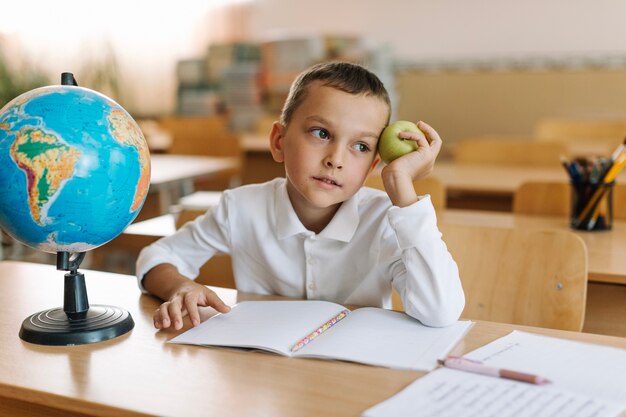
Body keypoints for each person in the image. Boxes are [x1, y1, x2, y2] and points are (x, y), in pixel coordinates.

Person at [136, 61, 465, 330]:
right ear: (279, 141)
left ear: (373, 165)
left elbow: (440, 312)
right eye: (321, 133)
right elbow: (155, 258)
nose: (336, 159)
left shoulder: (387, 220)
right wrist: (180, 286)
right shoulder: (241, 208)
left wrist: (402, 188)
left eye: (360, 146)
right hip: (264, 375)